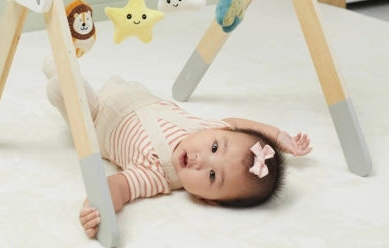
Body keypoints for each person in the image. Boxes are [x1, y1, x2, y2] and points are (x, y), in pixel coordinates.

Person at [42, 57, 312, 238]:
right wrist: (280, 137)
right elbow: (241, 123)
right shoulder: (208, 125)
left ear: (206, 200)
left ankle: (59, 72)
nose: (201, 161)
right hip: (134, 93)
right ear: (221, 131)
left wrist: (96, 207)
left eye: (212, 176)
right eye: (215, 147)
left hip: (98, 117)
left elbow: (119, 187)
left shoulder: (158, 176)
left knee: (61, 88)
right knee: (118, 82)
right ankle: (65, 73)